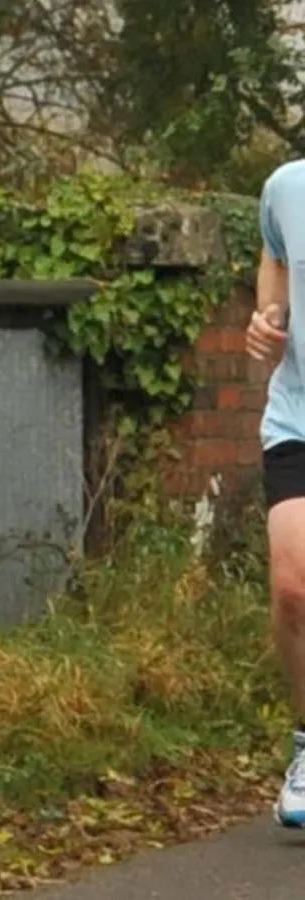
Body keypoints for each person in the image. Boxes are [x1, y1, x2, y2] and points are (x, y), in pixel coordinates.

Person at [247, 160, 305, 829]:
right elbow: (276, 261)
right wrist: (268, 319)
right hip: (297, 420)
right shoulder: (286, 188)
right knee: (293, 589)